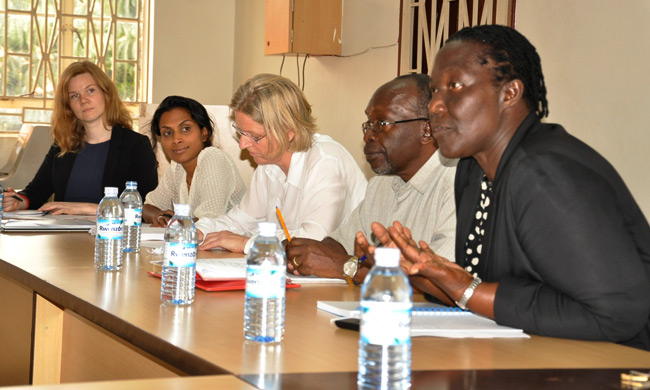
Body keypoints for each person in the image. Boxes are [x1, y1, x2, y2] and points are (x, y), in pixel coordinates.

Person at [368, 25, 650, 350]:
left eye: (455, 86)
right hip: (536, 357)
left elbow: (618, 314)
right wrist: (424, 271)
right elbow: (487, 293)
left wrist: (466, 288)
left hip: (619, 364)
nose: (435, 106)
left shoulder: (544, 172)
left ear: (509, 93)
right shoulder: (473, 171)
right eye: (434, 91)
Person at [285, 74, 457, 284]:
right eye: (368, 124)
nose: (368, 136)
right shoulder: (380, 184)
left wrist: (347, 267)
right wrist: (305, 252)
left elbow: (442, 281)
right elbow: (340, 244)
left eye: (381, 123)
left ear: (427, 130)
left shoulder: (457, 185)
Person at [196, 73, 367, 253]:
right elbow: (241, 221)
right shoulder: (268, 163)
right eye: (241, 132)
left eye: (254, 136)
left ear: (288, 132)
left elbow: (315, 240)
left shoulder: (326, 161)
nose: (243, 144)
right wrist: (200, 230)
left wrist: (246, 243)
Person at [1, 61, 157, 215]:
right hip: (63, 235)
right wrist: (18, 201)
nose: (83, 100)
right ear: (68, 106)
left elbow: (146, 208)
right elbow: (35, 193)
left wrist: (84, 208)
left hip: (111, 235)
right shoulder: (63, 145)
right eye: (74, 96)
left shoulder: (136, 145)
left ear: (106, 93)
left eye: (90, 91)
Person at [143, 96, 246, 227]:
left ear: (204, 133)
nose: (176, 139)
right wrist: (158, 216)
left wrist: (174, 221)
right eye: (168, 133)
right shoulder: (177, 167)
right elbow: (147, 207)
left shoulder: (213, 158)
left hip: (234, 245)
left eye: (185, 129)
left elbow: (208, 221)